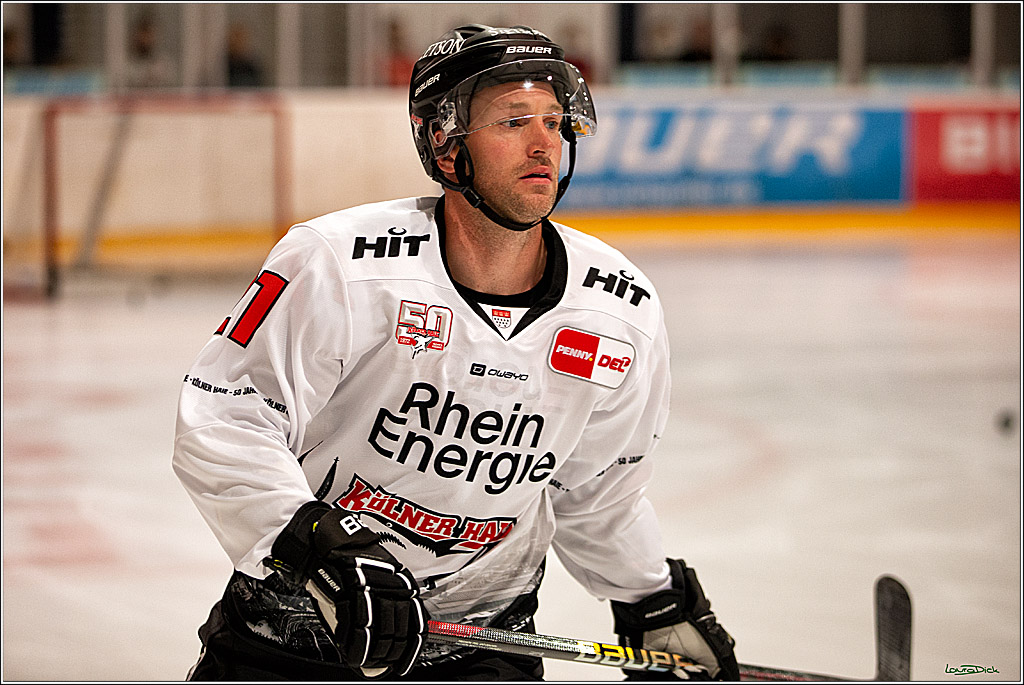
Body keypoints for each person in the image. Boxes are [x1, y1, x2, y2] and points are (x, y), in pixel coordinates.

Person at [173, 23, 738, 681]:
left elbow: (595, 488)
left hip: (483, 644)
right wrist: (315, 549)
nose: (543, 143)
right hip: (293, 636)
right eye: (513, 121)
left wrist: (652, 600)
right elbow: (226, 418)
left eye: (555, 122)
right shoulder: (338, 264)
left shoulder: (621, 309)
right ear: (445, 145)